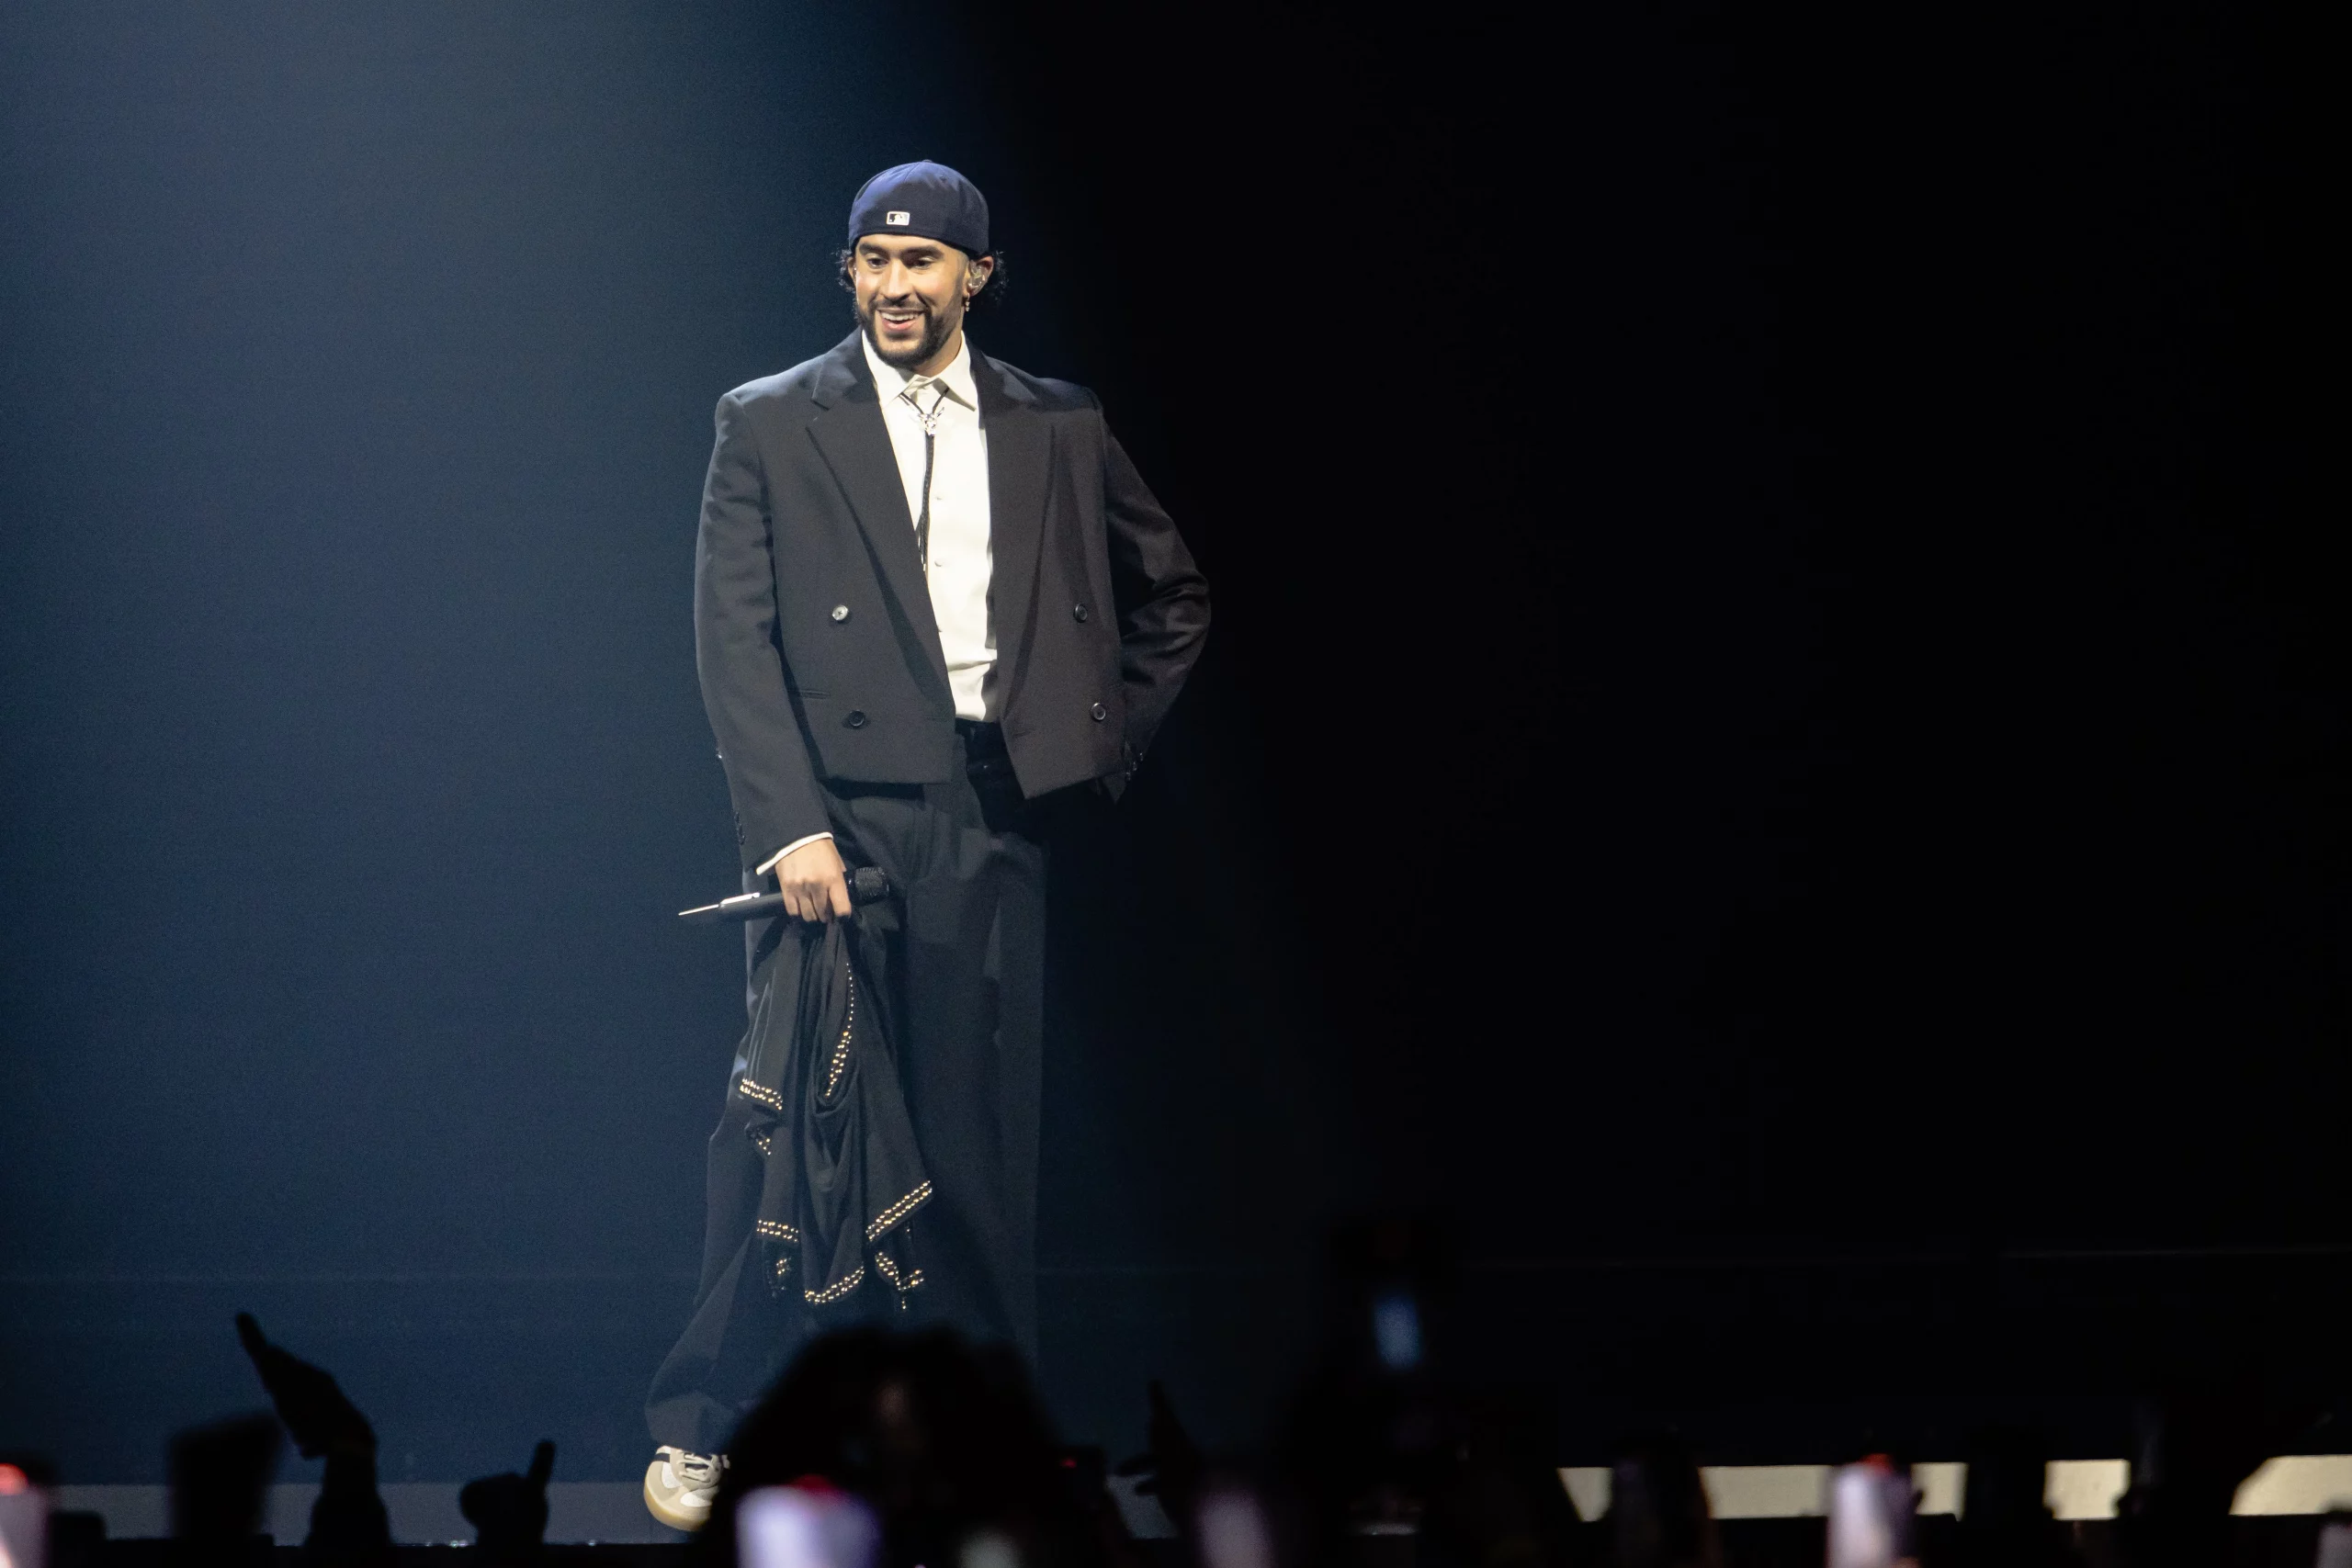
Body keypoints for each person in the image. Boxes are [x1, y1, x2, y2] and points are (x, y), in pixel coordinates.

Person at [643, 160, 1210, 1531]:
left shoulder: (1056, 421)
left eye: (922, 262)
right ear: (849, 272)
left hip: (989, 818)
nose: (896, 286)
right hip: (831, 824)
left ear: (976, 276)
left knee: (973, 1152)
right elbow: (733, 641)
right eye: (874, 261)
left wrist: (1088, 744)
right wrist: (787, 826)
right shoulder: (770, 418)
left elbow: (1172, 595)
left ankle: (982, 1447)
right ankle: (708, 1428)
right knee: (789, 1128)